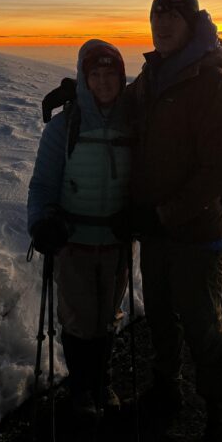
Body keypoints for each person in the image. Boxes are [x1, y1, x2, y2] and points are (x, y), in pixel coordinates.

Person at [127, 0, 222, 442]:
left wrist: (165, 215)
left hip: (196, 233)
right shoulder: (151, 78)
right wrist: (79, 94)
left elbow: (219, 171)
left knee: (201, 325)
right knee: (158, 316)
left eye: (174, 15)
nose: (163, 22)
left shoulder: (217, 87)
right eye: (157, 16)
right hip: (155, 231)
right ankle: (166, 390)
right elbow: (117, 109)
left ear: (192, 24)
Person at [27, 39, 132, 418]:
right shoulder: (64, 127)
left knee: (107, 317)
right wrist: (41, 222)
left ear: (122, 78)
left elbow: (144, 177)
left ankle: (100, 383)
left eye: (111, 74)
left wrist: (138, 211)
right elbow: (42, 185)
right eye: (95, 75)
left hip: (116, 243)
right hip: (74, 242)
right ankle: (81, 387)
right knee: (78, 319)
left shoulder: (134, 122)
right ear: (84, 79)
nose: (103, 83)